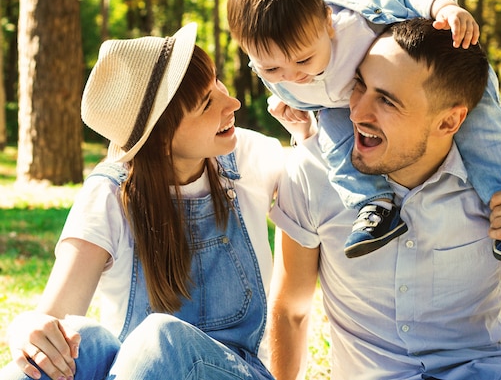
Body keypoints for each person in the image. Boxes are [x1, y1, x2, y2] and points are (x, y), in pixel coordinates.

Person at [267, 18, 501, 380]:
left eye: (387, 101)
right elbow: (291, 308)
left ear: (449, 122)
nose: (358, 113)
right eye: (359, 85)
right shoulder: (311, 170)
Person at [0, 23, 294, 380]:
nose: (232, 103)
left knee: (161, 338)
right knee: (79, 342)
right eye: (207, 103)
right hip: (142, 370)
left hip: (236, 372)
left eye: (217, 82)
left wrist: (309, 130)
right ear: (161, 137)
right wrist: (27, 329)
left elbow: (324, 198)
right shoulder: (111, 193)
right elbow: (54, 318)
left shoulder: (251, 157)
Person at [227, 0, 501, 263]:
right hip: (342, 103)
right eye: (272, 68)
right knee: (337, 149)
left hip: (434, 73)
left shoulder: (357, 19)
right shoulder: (276, 70)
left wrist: (443, 8)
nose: (293, 75)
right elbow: (304, 98)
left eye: (305, 60)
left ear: (327, 22)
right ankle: (375, 207)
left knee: (483, 134)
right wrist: (302, 123)